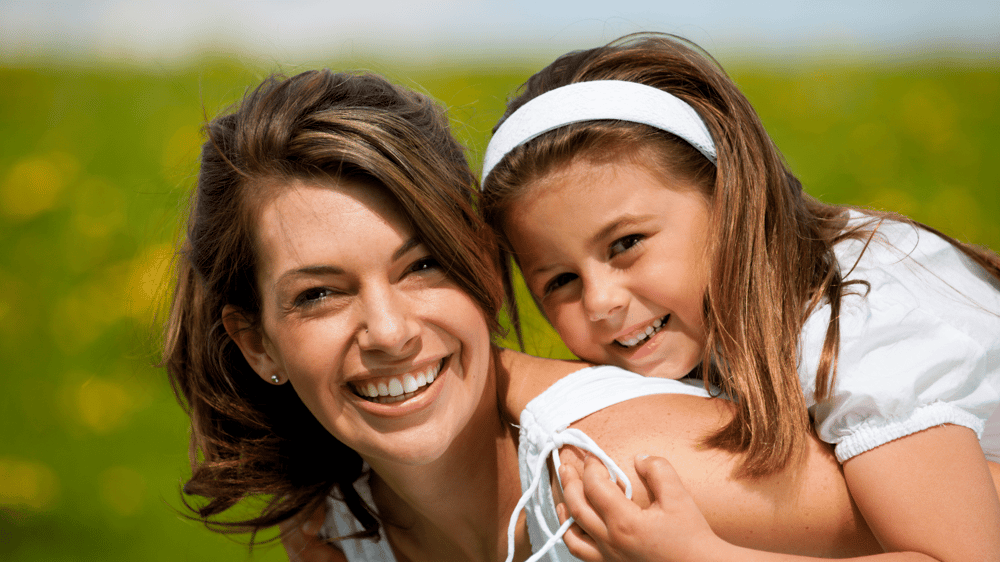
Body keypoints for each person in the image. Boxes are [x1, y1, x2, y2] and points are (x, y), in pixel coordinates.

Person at [164, 68, 890, 562]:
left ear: (483, 265)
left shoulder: (625, 462)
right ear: (258, 343)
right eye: (320, 294)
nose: (388, 332)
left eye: (424, 266)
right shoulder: (333, 527)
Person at [479, 32, 1000, 561]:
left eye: (626, 244)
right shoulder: (715, 328)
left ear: (730, 199)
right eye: (560, 281)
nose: (600, 302)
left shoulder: (857, 320)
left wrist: (698, 555)